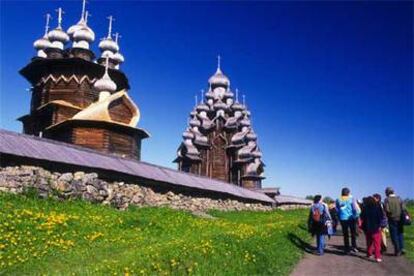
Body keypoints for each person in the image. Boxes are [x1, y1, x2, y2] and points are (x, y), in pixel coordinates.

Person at [336, 187, 359, 253]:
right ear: (348, 193)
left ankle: (346, 248)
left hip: (343, 218)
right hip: (351, 218)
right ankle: (354, 247)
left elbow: (337, 209)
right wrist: (356, 215)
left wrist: (339, 214)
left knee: (345, 234)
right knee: (353, 233)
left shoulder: (338, 199)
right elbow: (354, 208)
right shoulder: (351, 198)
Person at [361, 196, 384, 262]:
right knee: (377, 243)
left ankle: (369, 253)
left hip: (367, 227)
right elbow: (381, 217)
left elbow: (362, 217)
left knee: (369, 242)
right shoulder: (378, 207)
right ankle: (377, 257)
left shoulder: (365, 208)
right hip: (376, 227)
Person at [384, 187, 406, 256]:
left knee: (394, 235)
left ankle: (397, 250)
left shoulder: (387, 200)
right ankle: (402, 248)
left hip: (392, 219)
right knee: (400, 233)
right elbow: (403, 208)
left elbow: (387, 210)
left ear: (387, 192)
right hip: (400, 219)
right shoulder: (399, 198)